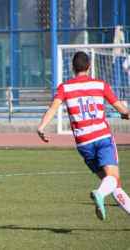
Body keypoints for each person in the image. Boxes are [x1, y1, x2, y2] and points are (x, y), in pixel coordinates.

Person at [37, 51, 130, 221]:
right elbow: (122, 110)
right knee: (112, 179)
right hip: (102, 138)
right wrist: (126, 114)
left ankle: (102, 195)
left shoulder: (64, 88)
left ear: (72, 68)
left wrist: (41, 128)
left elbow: (53, 109)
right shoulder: (100, 85)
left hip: (83, 144)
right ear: (89, 67)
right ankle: (99, 194)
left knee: (112, 183)